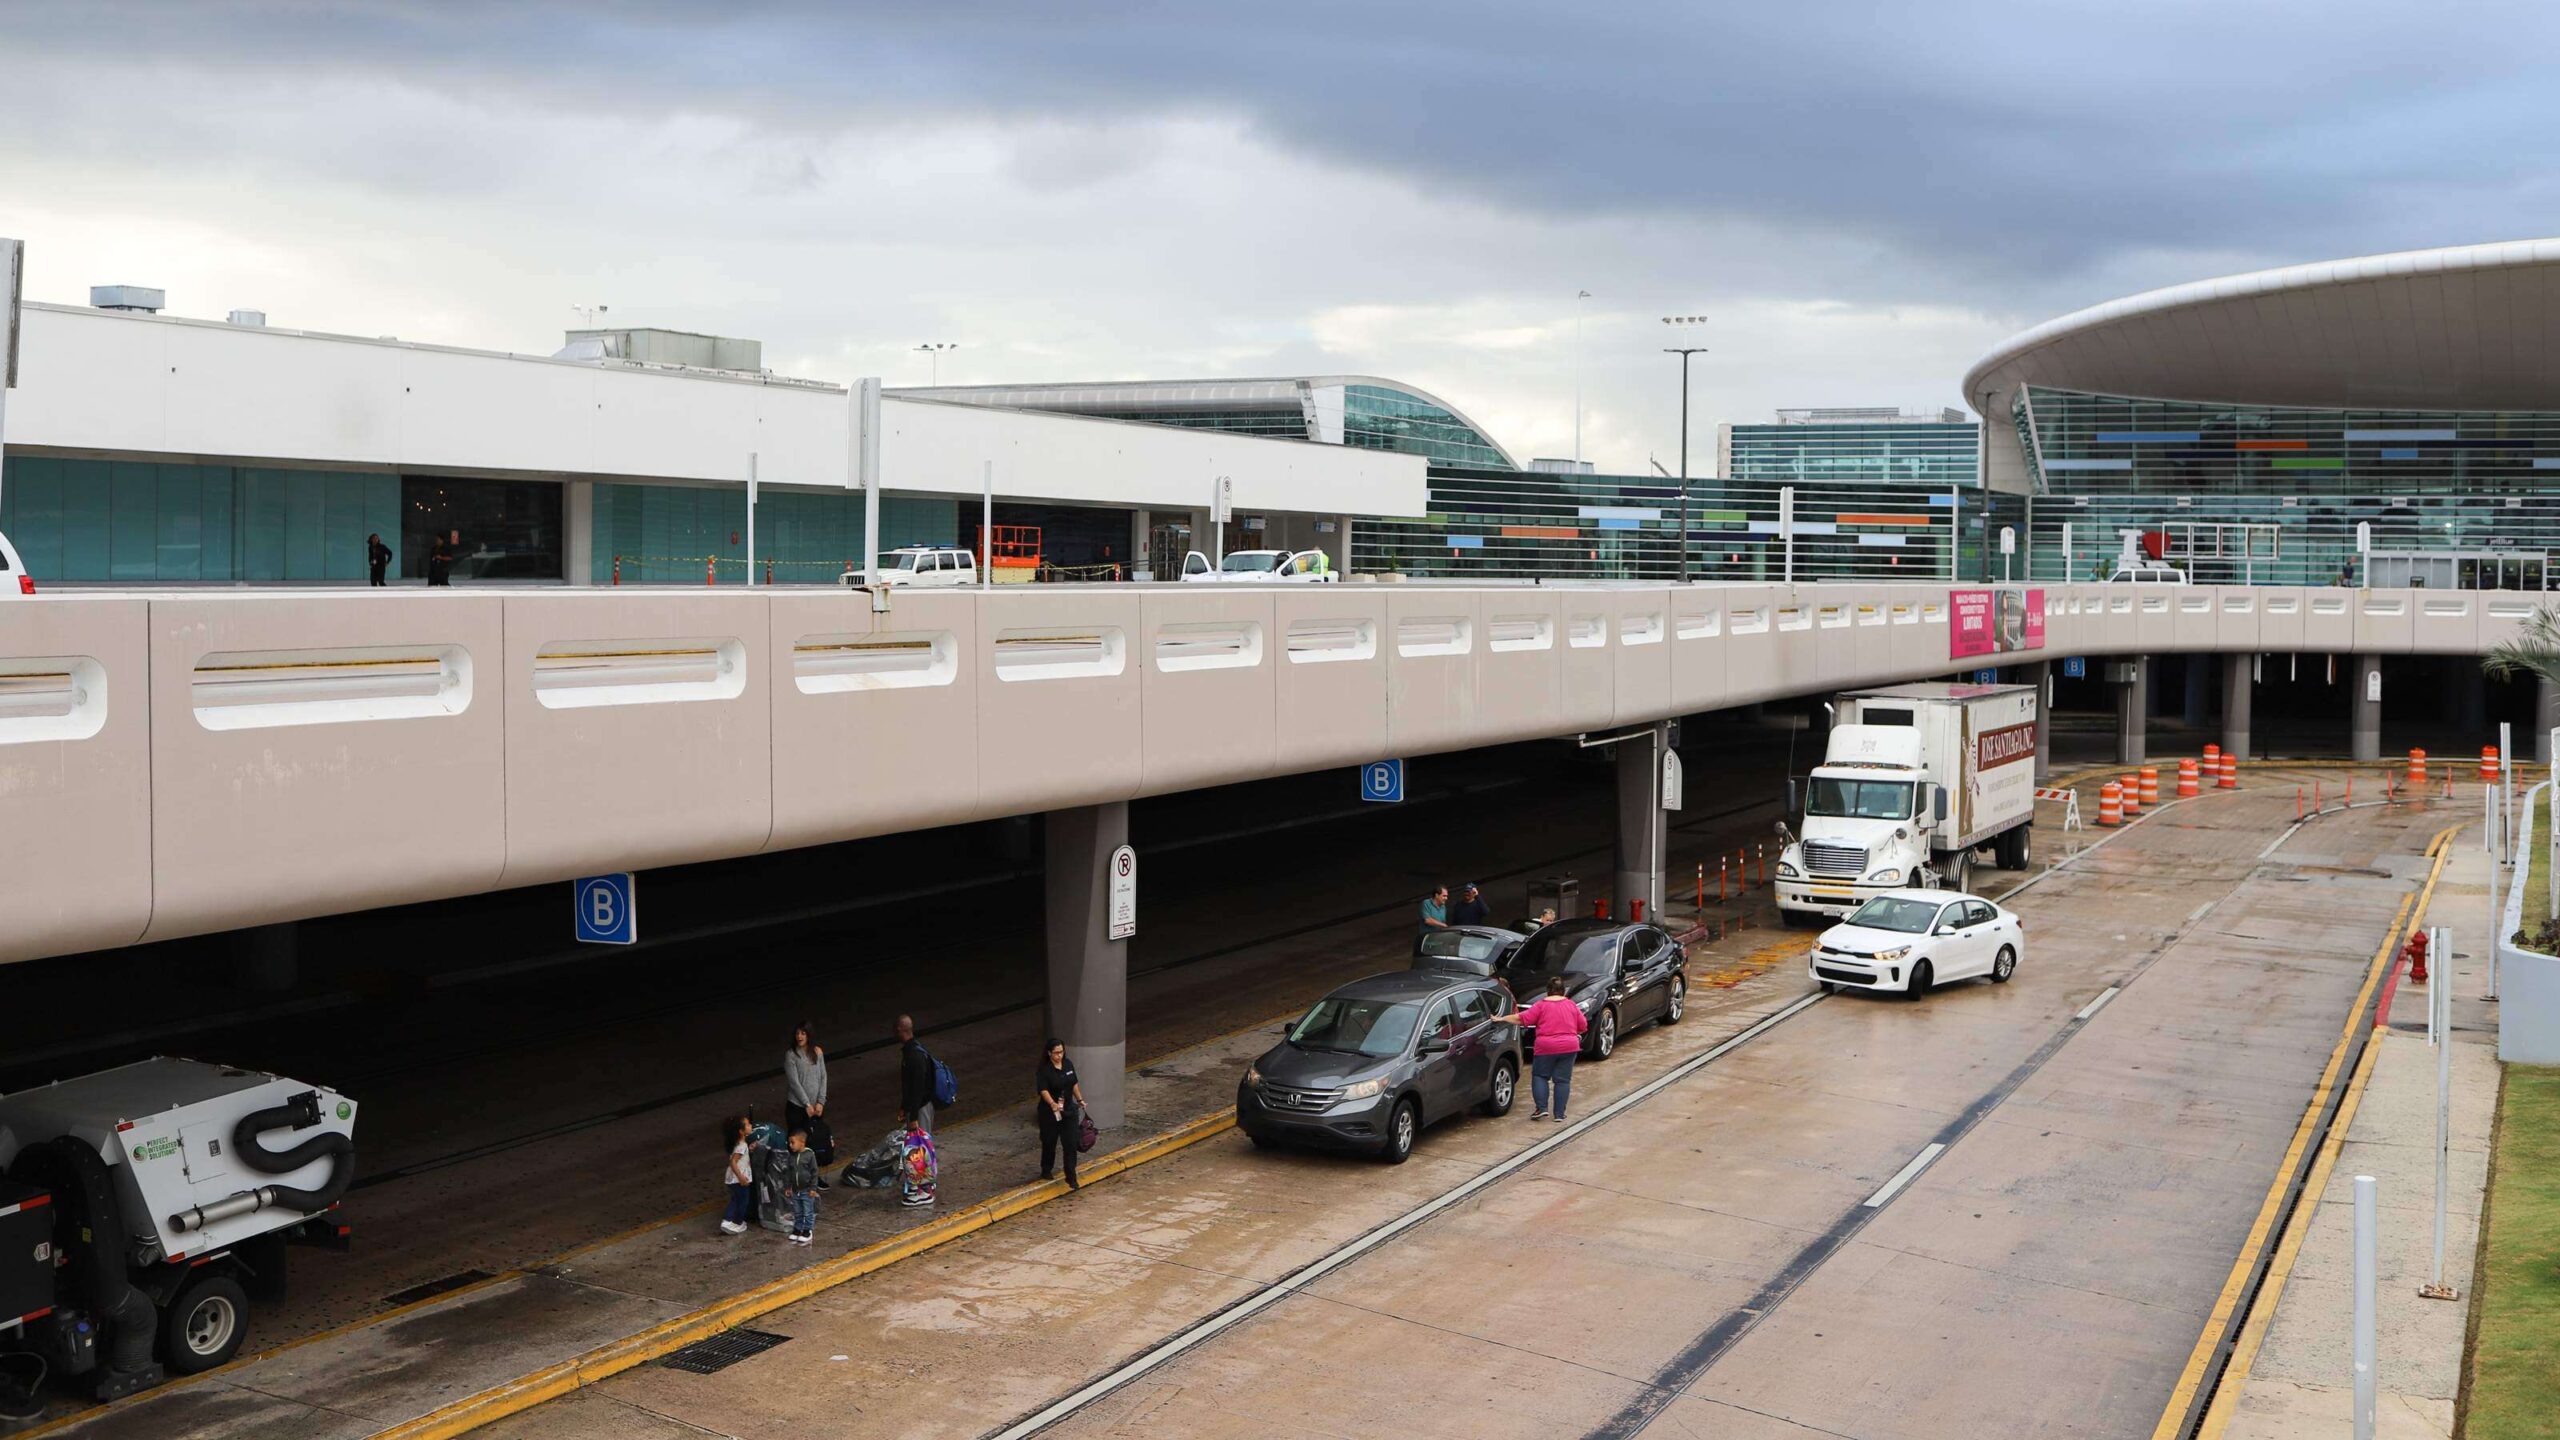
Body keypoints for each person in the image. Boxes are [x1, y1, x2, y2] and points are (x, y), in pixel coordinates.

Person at [1491, 977, 1589, 1122]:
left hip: (1546, 1046)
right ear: (1563, 991)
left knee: (1540, 1076)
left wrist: (1501, 1018)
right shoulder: (1571, 1005)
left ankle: (1542, 1109)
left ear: (1548, 991)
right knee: (1562, 1081)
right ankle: (1559, 1114)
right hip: (1569, 1046)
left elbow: (1521, 1018)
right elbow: (1583, 1026)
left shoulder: (1541, 1005)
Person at [783, 1023, 832, 1188]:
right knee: (796, 1144)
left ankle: (814, 1179)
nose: (800, 1037)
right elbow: (794, 1083)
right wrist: (806, 1104)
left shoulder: (817, 1052)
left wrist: (821, 1101)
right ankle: (795, 1180)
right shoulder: (791, 1055)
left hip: (815, 1108)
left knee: (814, 1143)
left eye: (803, 1033)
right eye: (797, 1033)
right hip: (798, 1107)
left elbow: (823, 1076)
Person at [1036, 1038, 1088, 1189]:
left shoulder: (1068, 1064)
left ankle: (1071, 1177)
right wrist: (1052, 1103)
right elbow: (1043, 1090)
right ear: (1049, 1053)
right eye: (1056, 1053)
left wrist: (1080, 1100)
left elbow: (1074, 1084)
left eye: (1061, 1052)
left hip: (1068, 1110)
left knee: (1070, 1143)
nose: (1059, 1055)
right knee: (1049, 1141)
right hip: (1050, 1113)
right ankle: (1046, 1169)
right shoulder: (1044, 1070)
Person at [897, 1014, 936, 1136]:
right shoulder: (914, 1049)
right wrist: (904, 1106)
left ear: (899, 1030)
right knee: (917, 1145)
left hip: (921, 1107)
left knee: (922, 1145)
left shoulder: (913, 1055)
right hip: (918, 1106)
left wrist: (914, 1117)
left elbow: (917, 1087)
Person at [780, 1130, 820, 1245]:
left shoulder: (809, 1155)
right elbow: (788, 1172)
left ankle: (807, 1230)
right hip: (796, 1190)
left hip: (807, 1190)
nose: (790, 1145)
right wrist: (788, 1187)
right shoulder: (791, 1157)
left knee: (808, 1212)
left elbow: (814, 1172)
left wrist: (813, 1188)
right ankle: (798, 1229)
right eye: (789, 1143)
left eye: (793, 1142)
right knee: (797, 1211)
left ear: (802, 1142)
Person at [718, 1115, 755, 1235]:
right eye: (748, 1125)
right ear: (741, 1131)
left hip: (732, 1179)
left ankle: (727, 1220)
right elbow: (733, 1161)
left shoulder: (739, 1144)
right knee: (743, 1201)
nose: (751, 1126)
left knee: (735, 1199)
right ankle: (737, 1223)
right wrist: (741, 1177)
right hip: (738, 1179)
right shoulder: (742, 1146)